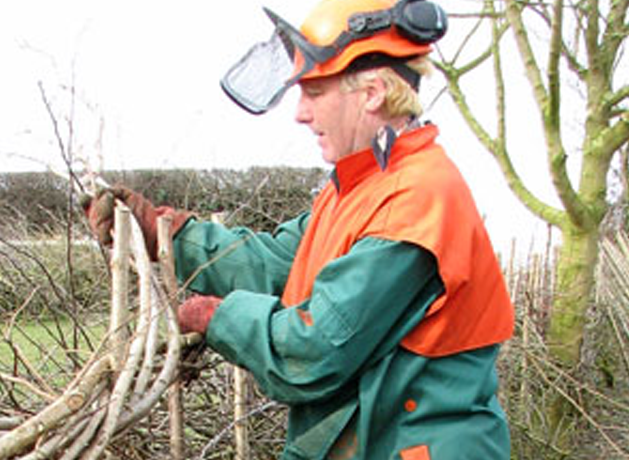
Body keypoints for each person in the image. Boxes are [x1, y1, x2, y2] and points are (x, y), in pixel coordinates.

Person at [84, 0, 515, 458]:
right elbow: (278, 264)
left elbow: (313, 352)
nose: (300, 114)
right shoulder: (363, 187)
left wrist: (217, 317)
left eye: (313, 92)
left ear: (371, 93)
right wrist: (167, 235)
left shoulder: (416, 199)